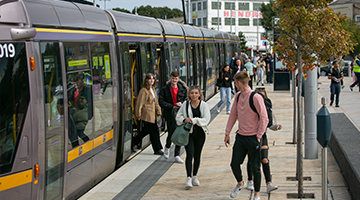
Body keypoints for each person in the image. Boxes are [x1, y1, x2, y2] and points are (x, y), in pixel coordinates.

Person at [224, 71, 268, 200]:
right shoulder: (238, 96)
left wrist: (259, 136)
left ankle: (257, 194)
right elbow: (233, 115)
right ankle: (240, 183)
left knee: (255, 167)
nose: (235, 85)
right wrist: (227, 133)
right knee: (234, 164)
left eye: (235, 83)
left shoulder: (256, 97)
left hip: (253, 137)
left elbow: (264, 118)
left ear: (238, 83)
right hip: (241, 137)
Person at [175, 86, 211, 189]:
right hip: (188, 133)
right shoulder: (185, 105)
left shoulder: (203, 105)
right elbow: (178, 117)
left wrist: (194, 120)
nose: (194, 95)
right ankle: (188, 178)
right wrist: (184, 120)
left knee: (197, 155)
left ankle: (195, 175)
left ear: (199, 94)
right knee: (189, 154)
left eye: (196, 93)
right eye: (192, 93)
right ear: (189, 94)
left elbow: (206, 119)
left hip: (200, 133)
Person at [246, 87, 279, 194]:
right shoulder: (250, 107)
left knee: (264, 159)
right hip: (251, 135)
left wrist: (276, 126)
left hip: (262, 135)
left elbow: (270, 123)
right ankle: (250, 180)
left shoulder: (268, 106)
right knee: (252, 160)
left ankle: (269, 183)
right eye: (259, 96)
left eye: (263, 96)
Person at [159, 71, 188, 163]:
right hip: (170, 114)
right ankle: (167, 146)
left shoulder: (183, 89)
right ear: (170, 78)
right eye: (172, 78)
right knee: (171, 132)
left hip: (180, 114)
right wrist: (172, 106)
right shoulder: (164, 90)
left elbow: (187, 100)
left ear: (178, 79)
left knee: (179, 133)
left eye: (176, 79)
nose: (174, 80)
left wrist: (182, 104)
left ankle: (177, 155)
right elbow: (161, 102)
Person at [133, 73, 163, 155]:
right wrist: (138, 115)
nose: (152, 80)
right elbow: (139, 103)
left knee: (145, 131)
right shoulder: (143, 91)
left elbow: (156, 101)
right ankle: (157, 149)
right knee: (154, 131)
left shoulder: (153, 89)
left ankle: (134, 141)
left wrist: (159, 110)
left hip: (153, 115)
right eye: (150, 79)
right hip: (147, 115)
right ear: (146, 80)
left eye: (153, 79)